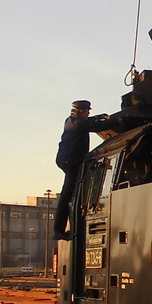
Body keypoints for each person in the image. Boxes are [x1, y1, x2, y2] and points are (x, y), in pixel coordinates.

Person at [55, 99, 108, 238]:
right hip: (71, 161)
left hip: (66, 160)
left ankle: (61, 229)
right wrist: (119, 121)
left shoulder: (71, 120)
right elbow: (96, 126)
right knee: (68, 195)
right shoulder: (79, 123)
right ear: (82, 111)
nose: (89, 112)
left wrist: (98, 117)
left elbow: (88, 122)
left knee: (70, 193)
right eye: (88, 111)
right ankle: (59, 230)